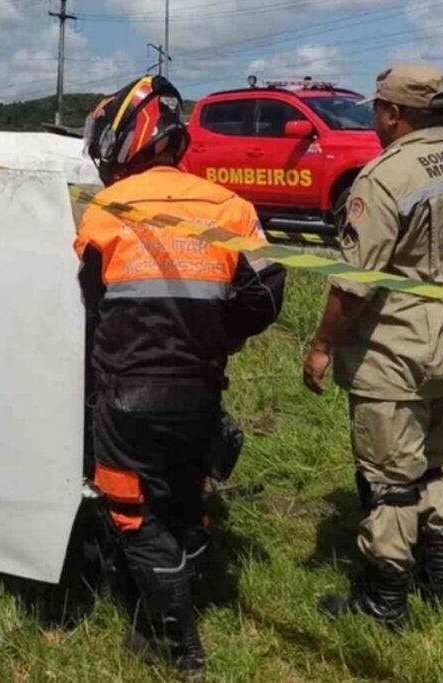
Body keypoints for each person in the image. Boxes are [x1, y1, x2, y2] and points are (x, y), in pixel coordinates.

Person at [76, 75, 286, 676]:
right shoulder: (231, 207)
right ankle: (168, 605)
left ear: (126, 138)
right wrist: (217, 339)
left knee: (132, 513)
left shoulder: (107, 210)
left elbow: (89, 302)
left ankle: (178, 645)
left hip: (126, 395)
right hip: (200, 390)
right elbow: (266, 296)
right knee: (183, 501)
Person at [303, 64, 443, 628]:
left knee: (390, 481)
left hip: (401, 355)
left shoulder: (384, 177)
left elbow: (355, 282)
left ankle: (384, 603)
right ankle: (440, 581)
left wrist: (320, 345)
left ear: (392, 113)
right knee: (432, 468)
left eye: (376, 109)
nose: (374, 118)